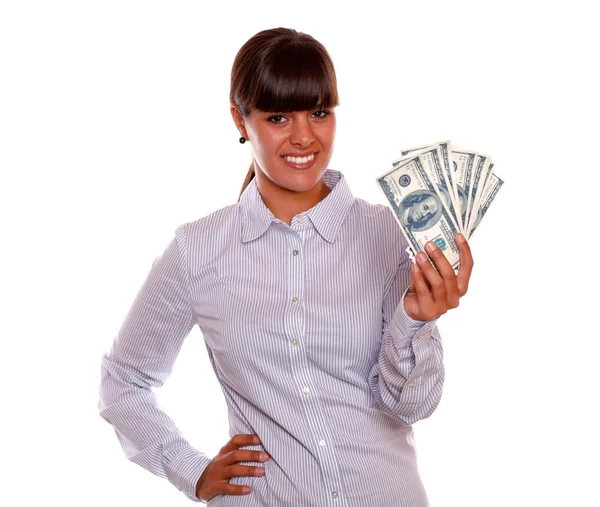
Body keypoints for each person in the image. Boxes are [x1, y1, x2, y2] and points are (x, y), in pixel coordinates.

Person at [98, 27, 473, 507]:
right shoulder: (199, 250)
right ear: (240, 119)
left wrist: (417, 319)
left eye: (319, 113)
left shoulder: (387, 234)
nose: (303, 136)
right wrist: (192, 471)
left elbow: (413, 405)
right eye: (278, 116)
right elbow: (123, 382)